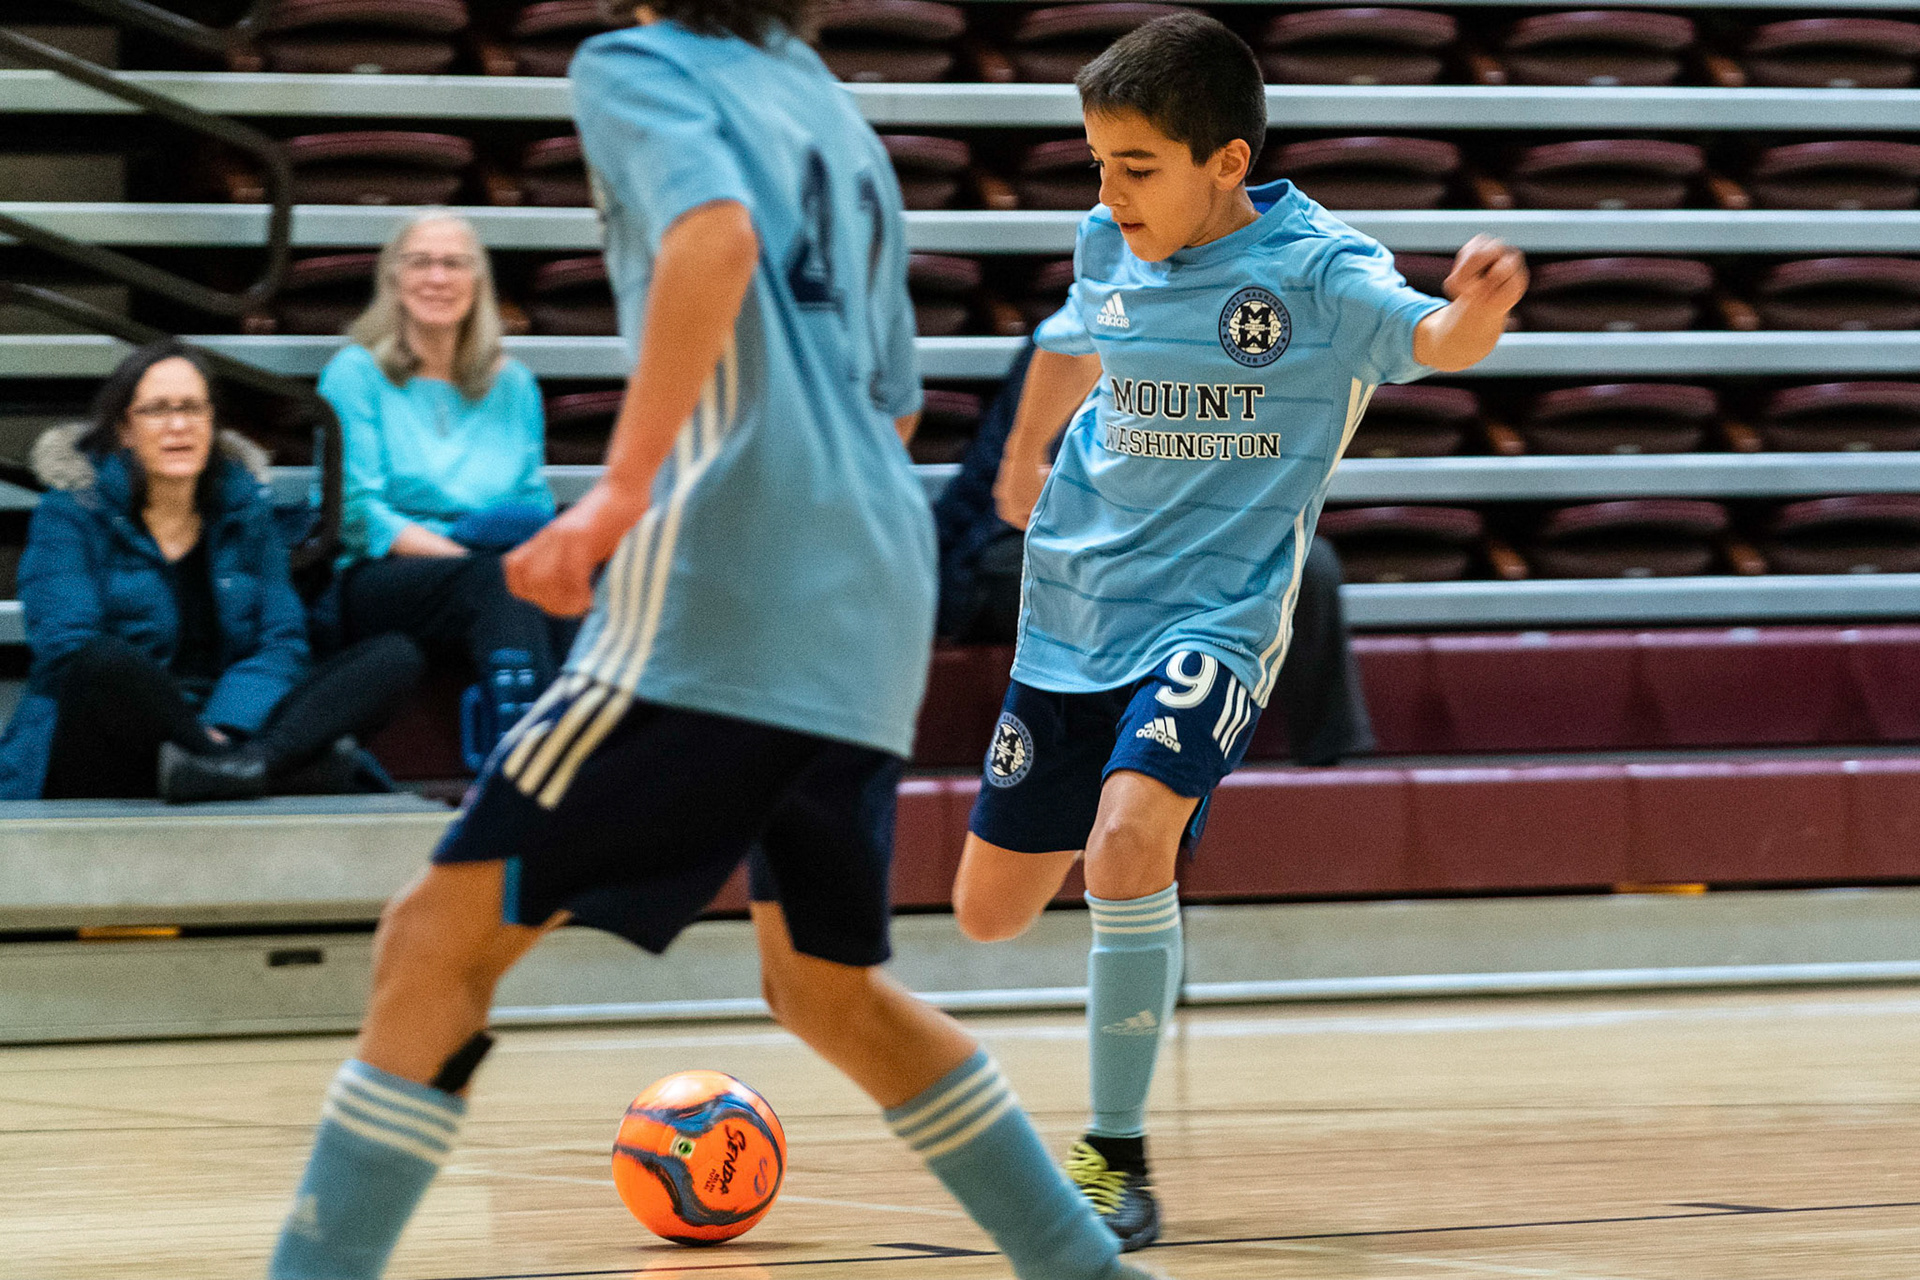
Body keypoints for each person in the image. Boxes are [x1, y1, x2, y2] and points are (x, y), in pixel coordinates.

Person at [265, 3, 1162, 1279]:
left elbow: (714, 235)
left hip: (740, 584)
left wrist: (622, 494)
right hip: (876, 580)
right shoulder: (830, 110)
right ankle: (1089, 1267)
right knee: (827, 990)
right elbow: (893, 405)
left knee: (434, 941)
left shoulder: (634, 65)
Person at [950, 12, 1529, 1251]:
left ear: (1226, 160)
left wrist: (1479, 311)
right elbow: (1071, 339)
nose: (1107, 190)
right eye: (1096, 160)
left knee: (1124, 843)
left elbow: (1433, 337)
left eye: (1136, 165)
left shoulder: (1320, 273)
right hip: (1069, 609)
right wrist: (1019, 457)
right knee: (989, 910)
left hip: (1214, 615)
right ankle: (1141, 836)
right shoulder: (1108, 236)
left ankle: (1114, 1158)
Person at [0, 341, 422, 803]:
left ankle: (237, 769)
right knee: (103, 662)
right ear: (124, 429)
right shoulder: (71, 513)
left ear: (212, 423)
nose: (179, 425)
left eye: (192, 409)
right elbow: (66, 648)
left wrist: (224, 723)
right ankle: (258, 771)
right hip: (113, 737)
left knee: (395, 656)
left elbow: (281, 640)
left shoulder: (245, 511)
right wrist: (189, 734)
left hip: (236, 724)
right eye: (157, 410)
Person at [934, 338, 1374, 766]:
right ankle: (1126, 756)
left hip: (1159, 544)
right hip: (1022, 545)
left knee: (1308, 561)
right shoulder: (1072, 343)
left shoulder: (1217, 358)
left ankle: (1332, 768)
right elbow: (1017, 491)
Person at [317, 210, 561, 748]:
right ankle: (520, 755)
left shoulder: (515, 384)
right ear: (394, 280)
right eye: (420, 262)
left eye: (455, 264)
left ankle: (587, 762)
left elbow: (530, 501)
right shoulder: (354, 374)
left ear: (477, 281)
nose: (437, 278)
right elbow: (357, 513)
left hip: (487, 565)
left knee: (582, 591)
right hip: (382, 572)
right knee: (498, 580)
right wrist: (463, 556)